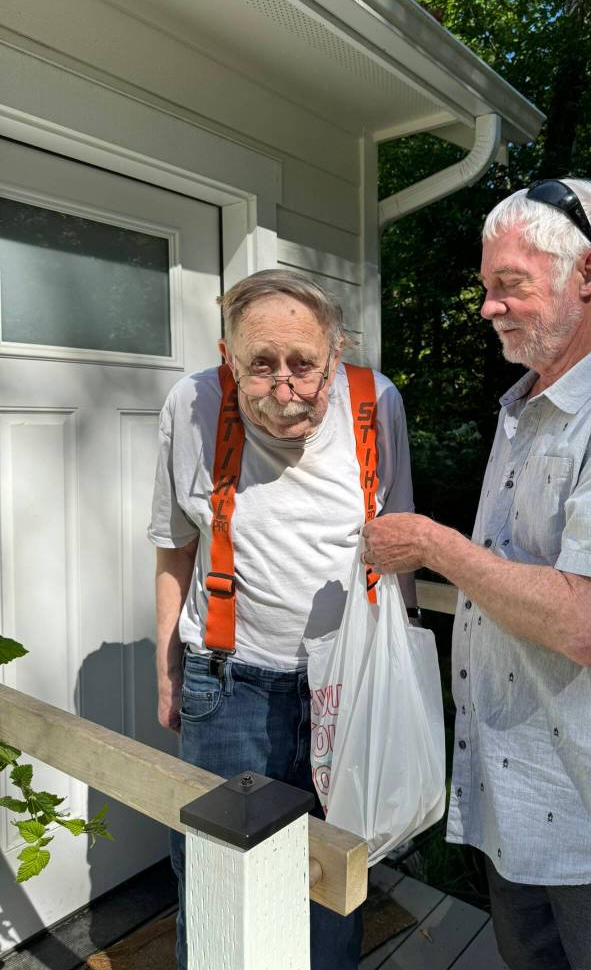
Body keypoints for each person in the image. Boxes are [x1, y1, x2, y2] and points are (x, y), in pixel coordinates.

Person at [362, 179, 591, 970]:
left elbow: (586, 624)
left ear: (588, 276)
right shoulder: (525, 408)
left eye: (509, 286)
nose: (488, 307)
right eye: (487, 287)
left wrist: (432, 543)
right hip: (520, 805)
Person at [149, 269, 416, 970]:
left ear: (336, 353)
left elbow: (399, 552)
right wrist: (166, 671)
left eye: (304, 365)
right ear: (226, 356)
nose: (285, 387)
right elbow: (175, 548)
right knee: (219, 884)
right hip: (227, 682)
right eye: (260, 365)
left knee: (332, 880)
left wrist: (401, 681)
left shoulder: (376, 402)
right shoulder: (193, 404)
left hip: (349, 686)